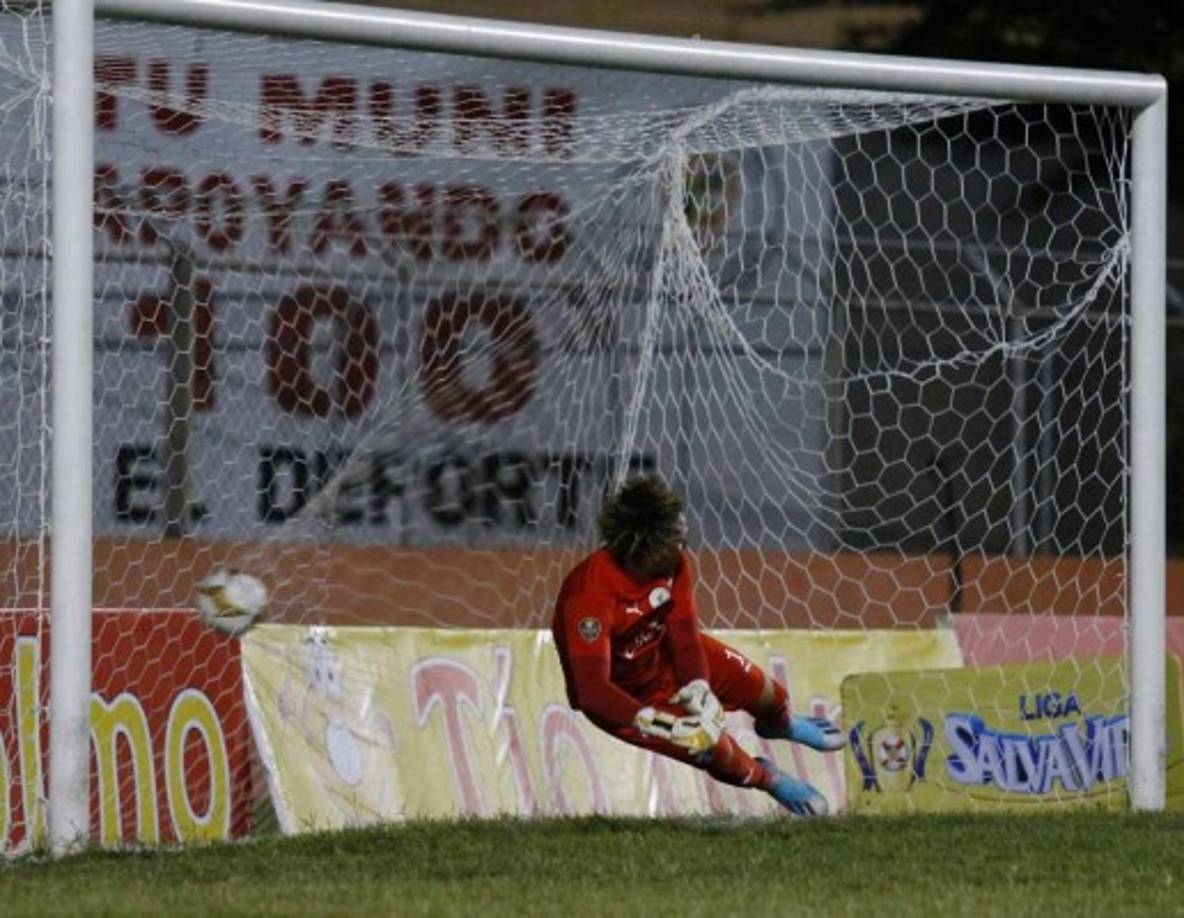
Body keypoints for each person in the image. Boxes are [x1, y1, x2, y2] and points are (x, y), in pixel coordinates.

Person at [551, 474, 844, 817]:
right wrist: (666, 726)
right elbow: (592, 690)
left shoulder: (671, 563)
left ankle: (781, 723)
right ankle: (770, 779)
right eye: (676, 540)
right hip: (627, 700)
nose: (684, 545)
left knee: (766, 691)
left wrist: (699, 685)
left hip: (661, 655)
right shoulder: (590, 594)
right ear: (644, 547)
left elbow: (686, 637)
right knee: (715, 751)